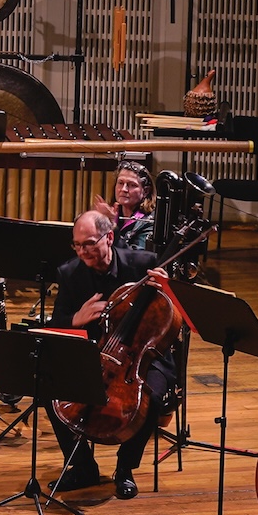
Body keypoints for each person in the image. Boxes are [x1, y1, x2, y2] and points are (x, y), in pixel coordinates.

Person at [47, 210, 165, 498]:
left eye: (88, 243)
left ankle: (125, 469)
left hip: (143, 354)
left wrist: (168, 288)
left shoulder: (143, 265)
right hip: (96, 354)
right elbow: (54, 324)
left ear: (109, 237)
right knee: (50, 390)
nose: (82, 251)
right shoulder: (70, 273)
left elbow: (171, 310)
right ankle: (82, 466)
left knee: (153, 398)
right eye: (77, 245)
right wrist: (75, 318)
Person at [105, 162, 155, 251]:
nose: (124, 189)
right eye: (120, 183)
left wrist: (112, 227)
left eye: (132, 185)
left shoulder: (150, 222)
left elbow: (134, 257)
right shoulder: (110, 214)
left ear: (146, 191)